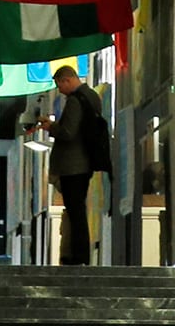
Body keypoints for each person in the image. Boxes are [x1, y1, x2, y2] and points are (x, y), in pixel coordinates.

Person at [41, 64, 103, 267]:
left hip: (73, 165)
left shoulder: (76, 101)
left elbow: (68, 132)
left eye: (59, 85)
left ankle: (79, 257)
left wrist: (51, 127)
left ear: (67, 80)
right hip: (85, 162)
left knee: (76, 212)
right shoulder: (92, 97)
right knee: (77, 211)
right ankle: (80, 256)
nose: (60, 90)